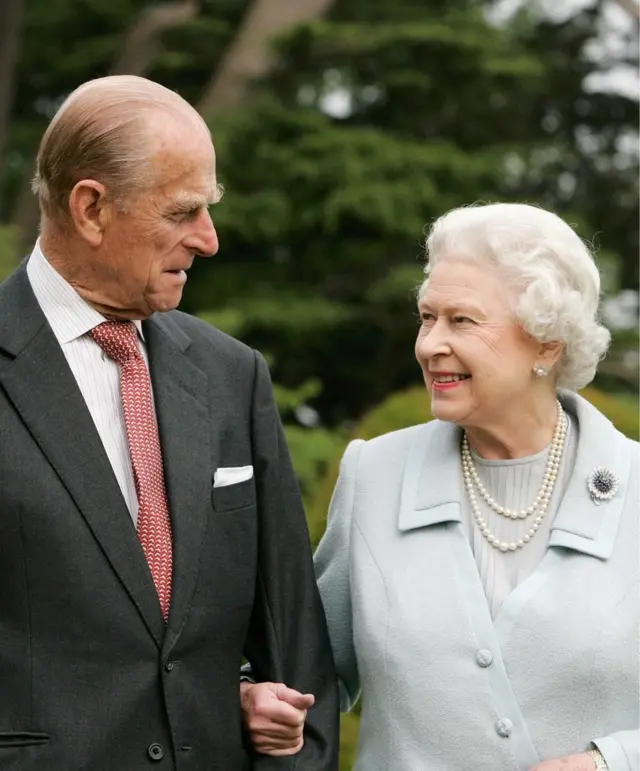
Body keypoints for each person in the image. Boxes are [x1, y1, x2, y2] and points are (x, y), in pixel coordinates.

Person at [0, 75, 339, 771]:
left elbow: (297, 651)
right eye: (183, 212)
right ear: (91, 208)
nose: (208, 240)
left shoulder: (232, 375)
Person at [241, 203, 639, 771]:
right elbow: (307, 672)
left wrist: (611, 763)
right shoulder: (374, 476)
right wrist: (257, 694)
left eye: (462, 321)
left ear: (547, 344)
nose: (429, 345)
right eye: (428, 318)